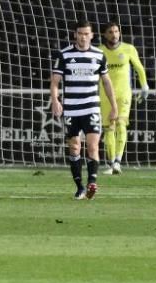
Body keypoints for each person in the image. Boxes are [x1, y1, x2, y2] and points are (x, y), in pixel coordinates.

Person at [50, 20, 119, 200]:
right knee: (74, 148)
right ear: (75, 35)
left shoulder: (98, 55)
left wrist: (114, 106)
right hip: (72, 109)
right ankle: (80, 186)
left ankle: (92, 183)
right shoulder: (63, 54)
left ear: (92, 35)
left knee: (93, 146)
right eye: (80, 33)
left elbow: (106, 82)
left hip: (91, 107)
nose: (83, 37)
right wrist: (55, 100)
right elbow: (55, 81)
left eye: (86, 34)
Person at [98, 22, 149, 174]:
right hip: (105, 95)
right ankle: (112, 162)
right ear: (105, 35)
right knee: (109, 129)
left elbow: (139, 67)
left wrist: (144, 86)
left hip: (124, 93)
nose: (114, 35)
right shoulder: (99, 51)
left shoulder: (128, 49)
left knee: (121, 124)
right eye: (110, 32)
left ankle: (118, 162)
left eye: (116, 31)